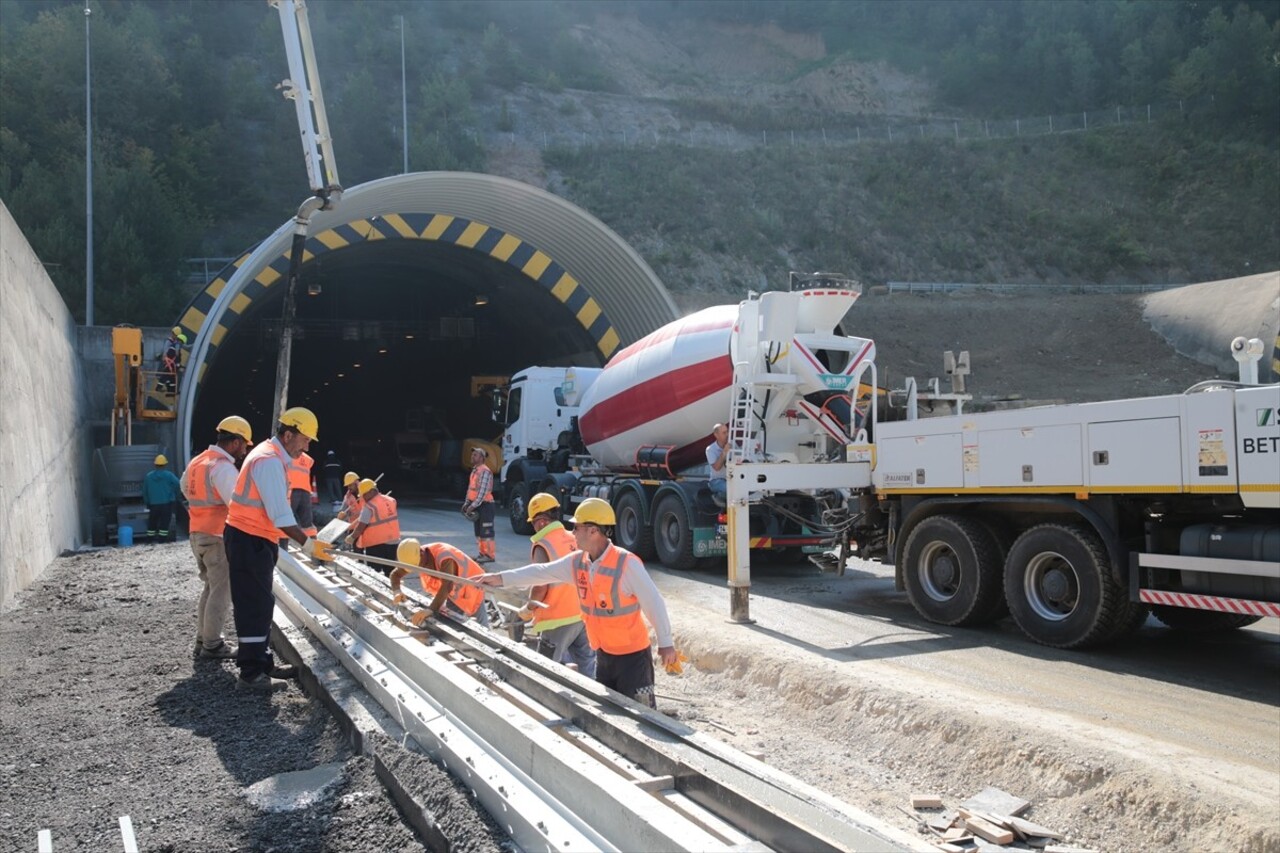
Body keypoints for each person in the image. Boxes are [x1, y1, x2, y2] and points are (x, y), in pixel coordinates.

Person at [477, 498, 677, 708]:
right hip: (605, 656)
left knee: (643, 717)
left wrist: (665, 643)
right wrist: (499, 578)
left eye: (577, 527)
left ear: (593, 531)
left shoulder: (626, 563)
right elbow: (541, 572)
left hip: (633, 660)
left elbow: (654, 602)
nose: (572, 533)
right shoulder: (578, 562)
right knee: (611, 717)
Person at [224, 406, 334, 690]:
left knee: (262, 603)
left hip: (256, 539)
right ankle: (250, 674)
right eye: (305, 439)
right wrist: (308, 544)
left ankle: (261, 662)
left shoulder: (272, 457)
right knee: (253, 605)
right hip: (249, 540)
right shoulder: (269, 461)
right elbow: (280, 515)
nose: (308, 446)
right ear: (288, 435)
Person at [180, 415, 253, 660]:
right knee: (222, 592)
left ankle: (203, 639)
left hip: (197, 533)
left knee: (210, 588)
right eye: (244, 444)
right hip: (217, 536)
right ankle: (212, 645)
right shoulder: (222, 467)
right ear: (234, 442)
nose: (245, 449)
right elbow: (236, 502)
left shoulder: (198, 461)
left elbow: (184, 488)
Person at [517, 492, 596, 677]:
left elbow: (540, 586)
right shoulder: (574, 537)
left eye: (533, 523)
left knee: (545, 669)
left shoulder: (543, 544)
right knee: (586, 667)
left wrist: (529, 608)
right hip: (583, 613)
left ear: (542, 521)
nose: (534, 528)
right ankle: (591, 703)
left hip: (557, 617)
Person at [390, 538, 489, 627]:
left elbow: (447, 586)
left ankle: (490, 644)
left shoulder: (445, 557)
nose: (416, 568)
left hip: (472, 585)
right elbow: (395, 574)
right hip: (454, 591)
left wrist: (431, 609)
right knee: (452, 621)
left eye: (417, 565)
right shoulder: (413, 558)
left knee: (481, 626)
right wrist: (397, 591)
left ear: (422, 553)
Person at [344, 478, 400, 566]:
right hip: (393, 541)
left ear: (371, 491)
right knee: (389, 570)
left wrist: (352, 537)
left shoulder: (369, 506)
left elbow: (360, 526)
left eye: (364, 494)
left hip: (376, 544)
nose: (363, 497)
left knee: (374, 572)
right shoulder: (391, 500)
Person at [464, 446, 496, 563]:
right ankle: (482, 553)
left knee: (486, 531)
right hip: (478, 505)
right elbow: (471, 489)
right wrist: (467, 502)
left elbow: (482, 492)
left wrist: (473, 505)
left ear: (482, 458)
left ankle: (489, 555)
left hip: (486, 505)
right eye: (472, 455)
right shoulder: (475, 471)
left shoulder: (485, 471)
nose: (472, 456)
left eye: (475, 455)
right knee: (479, 532)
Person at [142, 454, 183, 543]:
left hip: (153, 504)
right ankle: (162, 541)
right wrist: (173, 493)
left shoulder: (148, 476)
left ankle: (149, 540)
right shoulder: (169, 475)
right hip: (166, 504)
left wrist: (147, 502)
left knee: (152, 523)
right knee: (164, 523)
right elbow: (178, 484)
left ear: (155, 465)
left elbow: (144, 491)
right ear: (165, 465)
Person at [287, 450, 317, 538]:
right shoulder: (308, 459)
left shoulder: (288, 455)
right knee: (307, 522)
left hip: (292, 490)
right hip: (305, 491)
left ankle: (283, 547)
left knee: (286, 518)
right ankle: (313, 544)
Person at [706, 422, 729, 505]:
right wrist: (724, 452)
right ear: (716, 435)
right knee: (730, 489)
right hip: (717, 481)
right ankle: (718, 497)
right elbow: (716, 467)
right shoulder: (710, 449)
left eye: (727, 431)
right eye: (724, 433)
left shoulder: (732, 445)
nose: (727, 434)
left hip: (731, 479)